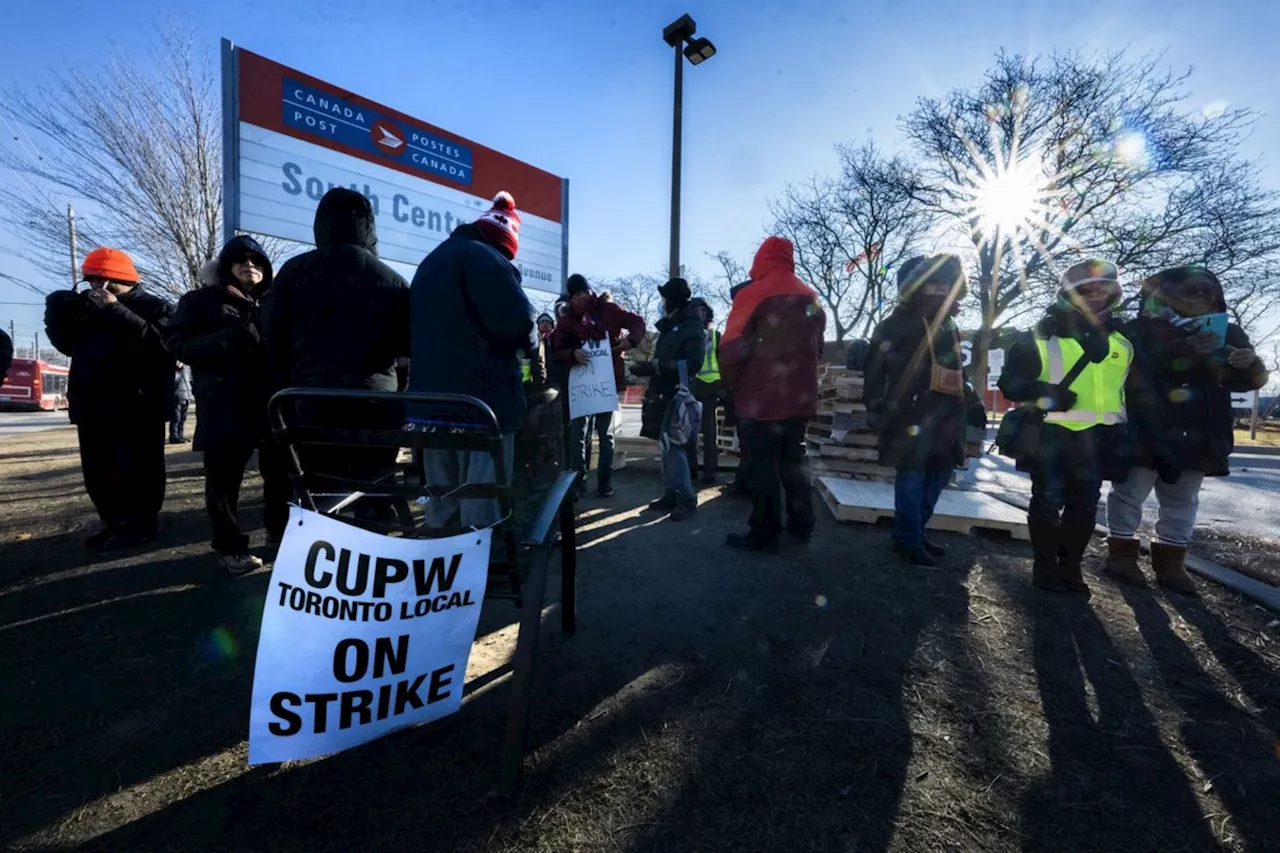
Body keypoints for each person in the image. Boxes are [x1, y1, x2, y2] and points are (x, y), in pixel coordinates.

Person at [999, 258, 1175, 595]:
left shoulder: (1125, 339)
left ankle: (1071, 567)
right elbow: (1010, 384)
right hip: (1052, 433)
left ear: (1114, 291)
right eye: (1085, 290)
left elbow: (1139, 396)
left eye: (1102, 287)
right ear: (1068, 294)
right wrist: (1044, 393)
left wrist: (1158, 443)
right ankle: (1045, 565)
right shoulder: (1040, 333)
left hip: (1102, 437)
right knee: (1048, 502)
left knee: (1085, 507)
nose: (1094, 295)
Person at [1105, 266, 1269, 594]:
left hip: (1200, 430)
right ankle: (1120, 557)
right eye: (1192, 291)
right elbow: (1128, 370)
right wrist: (1188, 347)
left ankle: (1171, 563)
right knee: (1130, 493)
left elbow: (1253, 381)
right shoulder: (1139, 329)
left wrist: (1249, 363)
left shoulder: (1229, 332)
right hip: (1146, 425)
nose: (1203, 298)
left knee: (1183, 499)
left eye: (1209, 293)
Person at [262, 188, 410, 500]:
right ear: (369, 227)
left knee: (318, 488)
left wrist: (285, 385)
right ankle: (373, 541)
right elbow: (408, 346)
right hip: (374, 404)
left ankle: (317, 546)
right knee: (374, 488)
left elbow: (272, 338)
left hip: (310, 400)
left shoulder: (292, 273)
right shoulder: (393, 281)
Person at [165, 237, 292, 574]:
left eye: (257, 261)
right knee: (224, 481)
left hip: (271, 404)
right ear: (225, 267)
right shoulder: (199, 300)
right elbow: (177, 343)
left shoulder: (276, 302)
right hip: (225, 404)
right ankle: (229, 546)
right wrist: (228, 338)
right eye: (241, 259)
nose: (250, 265)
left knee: (280, 475)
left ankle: (280, 537)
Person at [409, 191, 534, 529]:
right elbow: (518, 324)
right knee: (482, 502)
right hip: (481, 407)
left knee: (442, 498)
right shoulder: (486, 260)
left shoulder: (431, 262)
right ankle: (482, 573)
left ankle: (438, 572)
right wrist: (533, 340)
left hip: (429, 407)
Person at [44, 248, 174, 550]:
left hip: (140, 406)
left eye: (104, 281)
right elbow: (67, 345)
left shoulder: (154, 306)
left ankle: (142, 524)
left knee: (141, 468)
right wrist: (56, 314)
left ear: (122, 278)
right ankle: (113, 523)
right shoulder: (87, 308)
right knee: (99, 471)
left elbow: (163, 347)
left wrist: (117, 310)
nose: (97, 288)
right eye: (91, 281)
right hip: (92, 404)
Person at [865, 255, 985, 566]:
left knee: (939, 475)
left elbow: (958, 368)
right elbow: (875, 370)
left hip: (947, 413)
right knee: (913, 475)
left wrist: (968, 399)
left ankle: (914, 530)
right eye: (934, 282)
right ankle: (908, 538)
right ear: (915, 287)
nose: (942, 287)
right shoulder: (895, 324)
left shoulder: (951, 323)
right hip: (910, 412)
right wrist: (875, 405)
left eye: (946, 281)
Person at [720, 237, 827, 552]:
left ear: (760, 259)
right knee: (794, 460)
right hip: (799, 397)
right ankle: (802, 525)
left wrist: (732, 387)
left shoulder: (751, 294)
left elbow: (730, 350)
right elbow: (816, 349)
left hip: (759, 399)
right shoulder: (812, 297)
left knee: (761, 466)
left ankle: (765, 533)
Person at [553, 273, 646, 498]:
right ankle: (578, 483)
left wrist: (630, 341)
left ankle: (604, 481)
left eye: (584, 292)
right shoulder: (567, 321)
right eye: (576, 295)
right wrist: (572, 353)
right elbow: (557, 351)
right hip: (580, 385)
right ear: (571, 298)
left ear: (590, 291)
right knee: (577, 434)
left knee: (606, 434)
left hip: (606, 383)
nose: (581, 298)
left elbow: (637, 322)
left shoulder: (609, 310)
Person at [632, 277, 706, 521]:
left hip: (678, 395)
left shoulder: (691, 327)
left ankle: (686, 497)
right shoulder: (672, 325)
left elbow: (694, 364)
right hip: (665, 392)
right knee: (666, 446)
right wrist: (650, 368)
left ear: (673, 299)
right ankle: (671, 494)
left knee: (674, 446)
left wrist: (657, 366)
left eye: (665, 297)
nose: (662, 302)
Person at [687, 297, 724, 486]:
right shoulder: (689, 334)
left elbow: (723, 361)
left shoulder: (715, 335)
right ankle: (693, 471)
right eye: (696, 310)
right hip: (694, 387)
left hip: (709, 387)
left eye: (703, 311)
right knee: (691, 432)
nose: (700, 314)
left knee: (708, 433)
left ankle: (709, 473)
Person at [169, 363, 192, 444]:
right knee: (176, 418)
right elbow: (173, 381)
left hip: (187, 395)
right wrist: (177, 369)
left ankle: (180, 436)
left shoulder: (187, 368)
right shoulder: (172, 369)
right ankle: (174, 436)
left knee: (183, 418)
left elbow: (190, 380)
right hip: (177, 396)